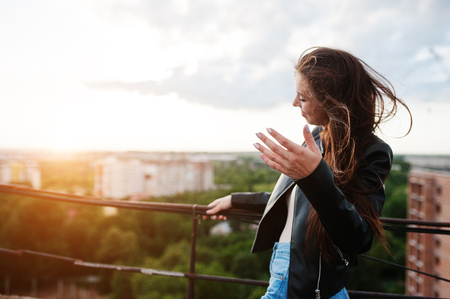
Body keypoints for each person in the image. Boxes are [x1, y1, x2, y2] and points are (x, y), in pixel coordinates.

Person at [205, 47, 412, 299]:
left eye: (302, 97)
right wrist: (234, 200)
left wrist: (314, 176)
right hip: (291, 272)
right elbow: (294, 204)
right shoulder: (317, 138)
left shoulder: (373, 151)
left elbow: (359, 237)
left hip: (306, 285)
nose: (294, 103)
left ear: (331, 99)